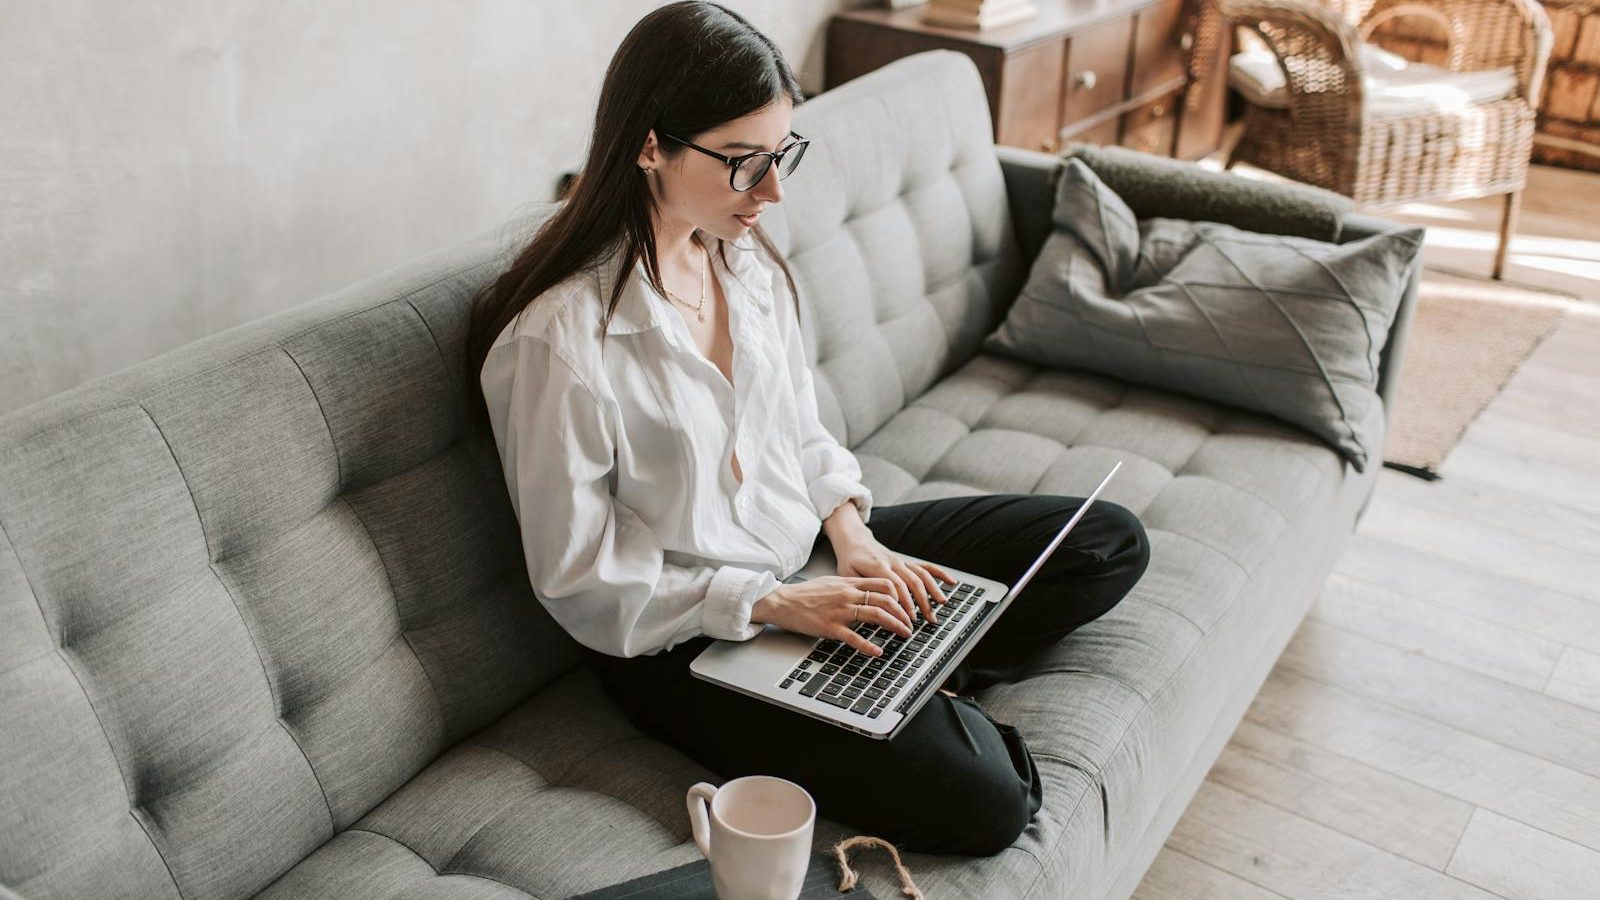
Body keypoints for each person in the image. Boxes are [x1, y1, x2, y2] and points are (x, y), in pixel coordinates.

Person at [466, 1, 1150, 857]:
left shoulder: (738, 258)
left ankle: (899, 669)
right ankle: (907, 682)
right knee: (989, 804)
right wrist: (777, 605)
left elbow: (800, 429)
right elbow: (581, 581)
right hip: (687, 639)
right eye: (746, 162)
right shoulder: (558, 343)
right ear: (651, 146)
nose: (775, 191)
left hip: (809, 559)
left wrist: (854, 537)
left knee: (1106, 542)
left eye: (782, 154)